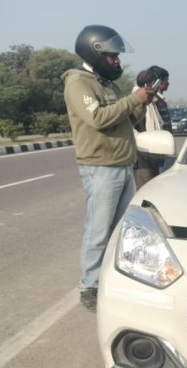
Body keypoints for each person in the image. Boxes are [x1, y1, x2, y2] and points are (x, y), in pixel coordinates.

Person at [61, 24, 155, 312]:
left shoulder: (106, 83)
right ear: (96, 53)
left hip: (122, 164)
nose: (117, 61)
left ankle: (112, 280)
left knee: (119, 231)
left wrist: (141, 104)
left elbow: (123, 120)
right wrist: (133, 99)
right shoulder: (78, 83)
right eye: (113, 56)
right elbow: (99, 118)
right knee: (99, 230)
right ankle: (89, 286)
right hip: (101, 167)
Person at [133, 65, 171, 187]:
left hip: (154, 157)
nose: (156, 88)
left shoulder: (151, 103)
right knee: (145, 192)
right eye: (155, 84)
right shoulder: (137, 102)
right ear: (147, 85)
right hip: (143, 158)